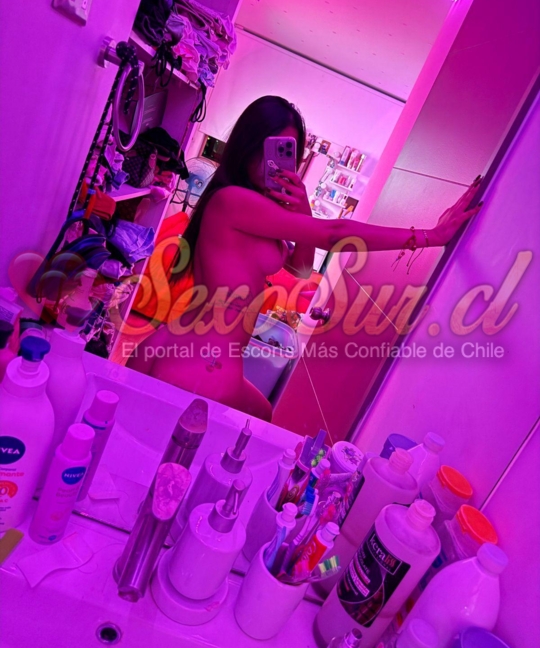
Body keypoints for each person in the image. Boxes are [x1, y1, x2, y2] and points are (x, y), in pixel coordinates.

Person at [128, 96, 482, 421]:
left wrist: (303, 209)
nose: (276, 163)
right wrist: (429, 237)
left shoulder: (257, 210)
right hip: (201, 363)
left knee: (262, 413)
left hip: (191, 351)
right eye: (270, 148)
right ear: (248, 146)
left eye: (287, 152)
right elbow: (334, 234)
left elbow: (300, 268)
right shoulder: (233, 200)